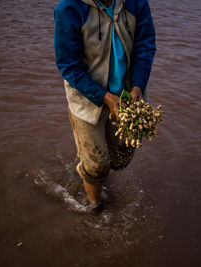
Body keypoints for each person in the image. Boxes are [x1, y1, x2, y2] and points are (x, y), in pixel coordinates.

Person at [54, 0, 156, 208]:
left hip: (127, 96)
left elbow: (145, 46)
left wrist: (137, 86)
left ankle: (91, 161)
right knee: (97, 166)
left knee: (120, 159)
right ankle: (94, 207)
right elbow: (68, 65)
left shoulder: (135, 3)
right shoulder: (70, 8)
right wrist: (105, 97)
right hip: (87, 97)